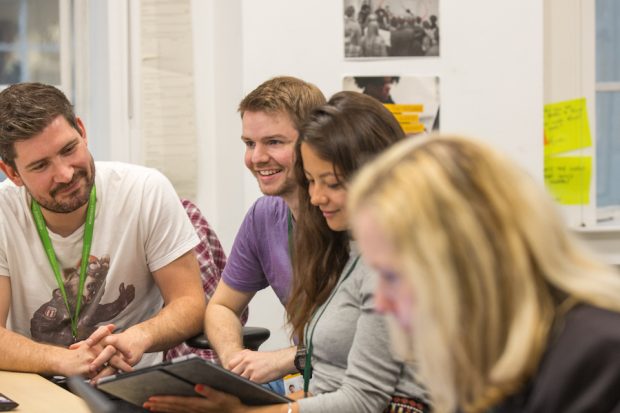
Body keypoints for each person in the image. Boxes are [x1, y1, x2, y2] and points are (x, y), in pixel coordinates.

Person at [144, 92, 430, 413]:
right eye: (312, 181)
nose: (318, 197)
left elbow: (363, 399)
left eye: (331, 183)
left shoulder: (389, 263)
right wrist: (236, 366)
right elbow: (329, 370)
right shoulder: (353, 243)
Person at [349, 135, 620, 413]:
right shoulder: (484, 356)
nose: (381, 302)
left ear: (464, 265)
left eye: (391, 276)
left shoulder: (599, 359)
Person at [0, 83, 206, 379]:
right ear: (13, 173)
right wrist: (64, 361)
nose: (65, 174)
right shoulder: (3, 213)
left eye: (69, 149)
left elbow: (190, 303)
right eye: (41, 165)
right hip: (39, 385)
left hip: (129, 383)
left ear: (82, 131)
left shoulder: (145, 190)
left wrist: (138, 338)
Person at [204, 77, 326, 385]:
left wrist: (283, 360)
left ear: (314, 141)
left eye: (274, 142)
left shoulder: (347, 218)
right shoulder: (264, 216)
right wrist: (236, 361)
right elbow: (221, 307)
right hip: (315, 383)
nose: (256, 158)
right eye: (249, 144)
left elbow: (370, 339)